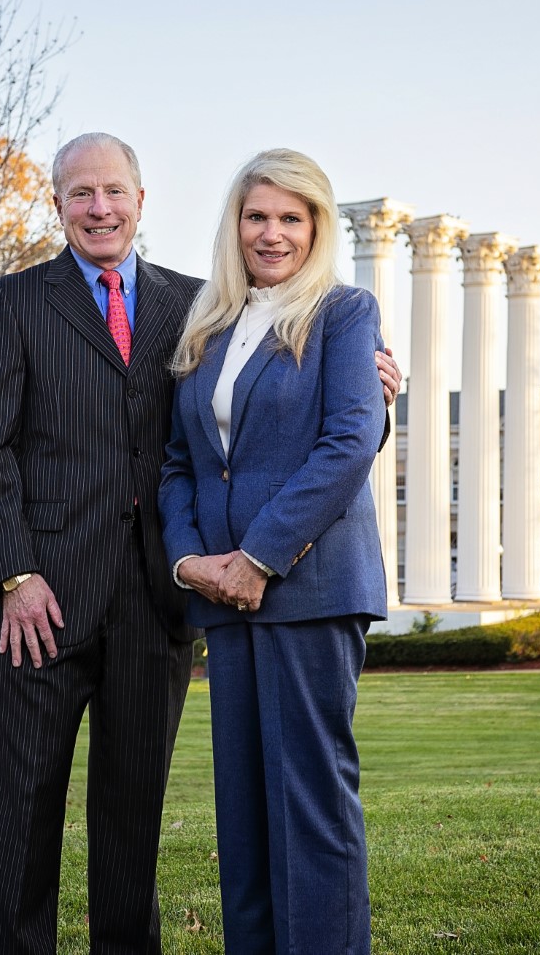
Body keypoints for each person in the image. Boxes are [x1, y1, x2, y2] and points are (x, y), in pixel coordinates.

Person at [0, 133, 398, 954]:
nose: (100, 209)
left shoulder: (195, 305)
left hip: (158, 607)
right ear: (58, 204)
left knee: (132, 820)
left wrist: (380, 400)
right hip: (44, 601)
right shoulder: (15, 303)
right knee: (20, 812)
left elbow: (313, 427)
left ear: (140, 199)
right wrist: (13, 574)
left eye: (114, 192)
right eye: (81, 194)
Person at [159, 149, 387, 954]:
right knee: (245, 813)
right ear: (236, 223)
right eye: (257, 215)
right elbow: (183, 461)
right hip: (224, 597)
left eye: (292, 217)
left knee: (311, 810)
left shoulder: (345, 314)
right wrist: (194, 564)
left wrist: (257, 557)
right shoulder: (210, 324)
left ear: (317, 227)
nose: (273, 232)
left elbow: (350, 440)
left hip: (310, 587)